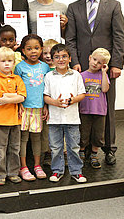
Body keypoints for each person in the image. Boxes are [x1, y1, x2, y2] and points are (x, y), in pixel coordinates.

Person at [65, 0, 124, 165]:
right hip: (82, 67)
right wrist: (74, 62)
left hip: (105, 69)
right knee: (82, 108)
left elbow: (119, 37)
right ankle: (83, 148)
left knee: (105, 108)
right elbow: (70, 39)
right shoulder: (73, 8)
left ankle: (109, 147)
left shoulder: (114, 6)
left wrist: (116, 64)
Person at [43, 43, 87, 183]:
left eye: (64, 57)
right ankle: (57, 171)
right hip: (55, 119)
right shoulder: (49, 76)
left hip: (72, 118)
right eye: (57, 57)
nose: (60, 60)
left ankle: (76, 171)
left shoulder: (76, 75)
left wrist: (73, 100)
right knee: (56, 147)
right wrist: (55, 102)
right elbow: (45, 96)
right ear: (52, 59)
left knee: (73, 146)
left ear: (69, 58)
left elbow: (82, 94)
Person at [14, 34, 50, 181]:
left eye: (36, 48)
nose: (33, 51)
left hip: (39, 109)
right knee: (23, 139)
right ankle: (23, 167)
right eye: (29, 49)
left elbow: (48, 88)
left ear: (41, 49)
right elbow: (15, 87)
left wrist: (46, 105)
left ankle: (37, 165)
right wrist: (19, 105)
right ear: (23, 50)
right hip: (24, 109)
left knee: (37, 138)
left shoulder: (45, 67)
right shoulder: (19, 67)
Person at [0, 47, 27, 185]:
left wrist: (9, 98)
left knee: (14, 148)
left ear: (14, 63)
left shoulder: (17, 78)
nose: (6, 64)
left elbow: (23, 96)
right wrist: (15, 97)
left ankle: (13, 173)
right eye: (3, 61)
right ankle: (0, 174)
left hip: (15, 120)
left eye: (10, 61)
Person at [79, 48, 111, 169]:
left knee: (98, 135)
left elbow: (104, 89)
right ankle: (81, 152)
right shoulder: (81, 76)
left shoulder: (103, 76)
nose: (95, 63)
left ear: (103, 65)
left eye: (99, 63)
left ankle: (94, 154)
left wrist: (103, 72)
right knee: (83, 133)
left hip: (99, 111)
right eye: (94, 59)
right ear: (90, 57)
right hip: (84, 110)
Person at [39, 38, 59, 166]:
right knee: (46, 131)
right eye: (45, 53)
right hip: (47, 104)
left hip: (59, 105)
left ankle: (61, 153)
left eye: (51, 53)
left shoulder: (61, 68)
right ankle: (47, 153)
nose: (48, 56)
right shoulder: (43, 68)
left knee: (60, 129)